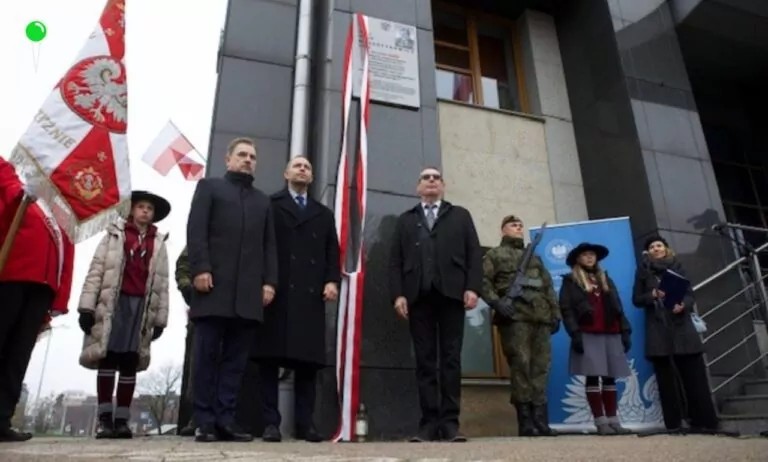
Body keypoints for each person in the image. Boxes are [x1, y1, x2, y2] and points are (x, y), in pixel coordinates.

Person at [187, 137, 278, 443]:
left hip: (248, 295)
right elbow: (196, 230)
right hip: (213, 288)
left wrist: (269, 282)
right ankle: (203, 421)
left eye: (252, 156)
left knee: (235, 363)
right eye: (241, 155)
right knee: (205, 358)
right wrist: (200, 268)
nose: (248, 160)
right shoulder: (209, 188)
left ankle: (225, 420)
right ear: (228, 160)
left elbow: (269, 246)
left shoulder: (263, 201)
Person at [389, 166, 482, 442]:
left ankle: (450, 423)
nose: (431, 181)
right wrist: (398, 294)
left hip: (452, 296)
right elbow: (395, 261)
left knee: (451, 360)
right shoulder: (406, 220)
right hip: (418, 298)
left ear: (443, 185)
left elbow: (474, 254)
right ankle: (429, 423)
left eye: (436, 177)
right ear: (418, 187)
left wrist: (473, 287)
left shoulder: (460, 216)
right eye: (426, 178)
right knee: (425, 361)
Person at [252, 156, 340, 443]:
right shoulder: (269, 204)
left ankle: (306, 424)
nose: (302, 169)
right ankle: (270, 423)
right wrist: (264, 280)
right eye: (297, 165)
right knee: (268, 360)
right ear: (285, 172)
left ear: (312, 177)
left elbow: (331, 251)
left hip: (310, 294)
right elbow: (261, 245)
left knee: (307, 365)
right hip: (275, 291)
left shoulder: (323, 214)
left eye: (307, 167)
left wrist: (331, 280)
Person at [78, 190, 171, 439]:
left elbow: (162, 283)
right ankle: (105, 418)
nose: (145, 211)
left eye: (149, 209)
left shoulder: (159, 243)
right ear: (132, 210)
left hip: (141, 307)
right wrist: (86, 307)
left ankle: (122, 420)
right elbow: (96, 270)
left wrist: (160, 319)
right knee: (108, 356)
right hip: (113, 303)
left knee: (130, 359)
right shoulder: (114, 235)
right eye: (140, 207)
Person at [0, 158, 75, 442]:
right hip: (10, 278)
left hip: (42, 288)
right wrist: (20, 192)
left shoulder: (59, 211)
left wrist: (60, 298)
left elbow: (67, 254)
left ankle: (2, 417)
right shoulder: (12, 181)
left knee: (18, 355)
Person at [480, 215, 560, 437]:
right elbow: (482, 281)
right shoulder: (494, 255)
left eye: (520, 225)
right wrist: (496, 302)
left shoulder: (534, 258)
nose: (518, 228)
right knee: (521, 366)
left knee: (540, 368)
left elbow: (548, 287)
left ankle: (541, 421)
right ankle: (525, 422)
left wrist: (555, 313)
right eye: (513, 225)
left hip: (540, 317)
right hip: (516, 317)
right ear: (502, 230)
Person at [632, 235, 718, 431]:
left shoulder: (678, 267)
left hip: (682, 327)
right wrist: (651, 295)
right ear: (648, 252)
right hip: (658, 329)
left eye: (659, 245)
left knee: (694, 377)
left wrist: (683, 305)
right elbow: (636, 299)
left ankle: (704, 421)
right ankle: (674, 423)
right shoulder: (643, 271)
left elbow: (690, 294)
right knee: (667, 380)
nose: (656, 248)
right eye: (652, 247)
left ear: (666, 248)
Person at [559, 242, 632, 435]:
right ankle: (601, 422)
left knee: (610, 377)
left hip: (611, 331)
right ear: (578, 259)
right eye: (585, 255)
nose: (590, 257)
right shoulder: (570, 281)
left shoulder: (605, 278)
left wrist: (625, 330)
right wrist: (574, 334)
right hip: (588, 332)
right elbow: (566, 309)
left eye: (592, 255)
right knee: (593, 377)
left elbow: (618, 306)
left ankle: (613, 421)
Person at [174, 246, 196, 437]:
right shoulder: (202, 231)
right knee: (198, 363)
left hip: (236, 307)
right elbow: (183, 264)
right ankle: (197, 415)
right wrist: (187, 287)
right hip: (203, 304)